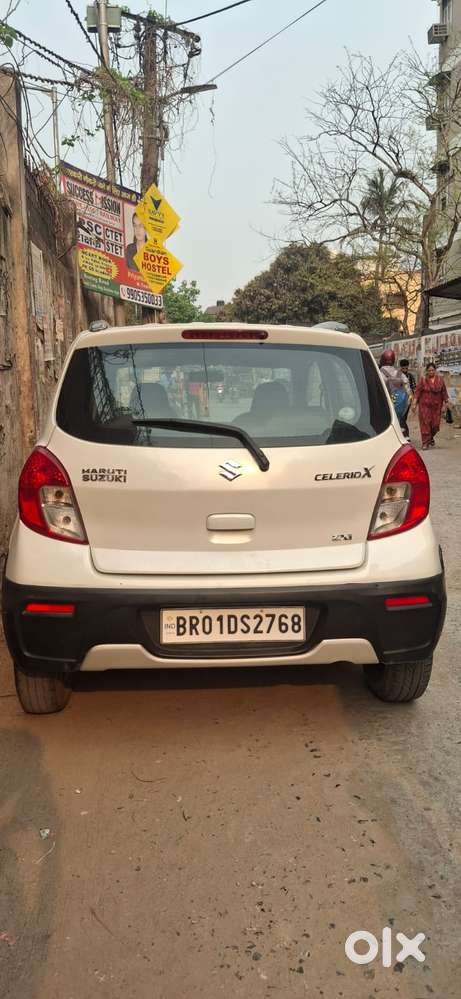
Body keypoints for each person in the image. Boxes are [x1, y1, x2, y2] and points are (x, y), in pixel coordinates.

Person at [412, 363, 448, 450]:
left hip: (437, 406)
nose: (431, 372)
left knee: (435, 425)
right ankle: (425, 442)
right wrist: (414, 403)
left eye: (432, 370)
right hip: (425, 406)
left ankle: (430, 437)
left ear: (435, 371)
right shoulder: (423, 380)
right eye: (429, 370)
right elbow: (417, 392)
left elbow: (444, 392)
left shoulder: (440, 380)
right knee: (425, 424)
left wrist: (446, 403)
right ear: (427, 371)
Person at [379, 349, 410, 432]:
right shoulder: (401, 374)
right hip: (399, 410)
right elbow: (408, 393)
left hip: (385, 410)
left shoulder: (379, 374)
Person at [399, 359, 416, 439]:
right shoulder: (397, 376)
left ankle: (403, 434)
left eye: (406, 368)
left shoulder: (410, 376)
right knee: (401, 417)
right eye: (403, 369)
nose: (405, 370)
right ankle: (406, 435)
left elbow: (414, 388)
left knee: (403, 418)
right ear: (401, 368)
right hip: (398, 401)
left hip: (408, 401)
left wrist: (414, 401)